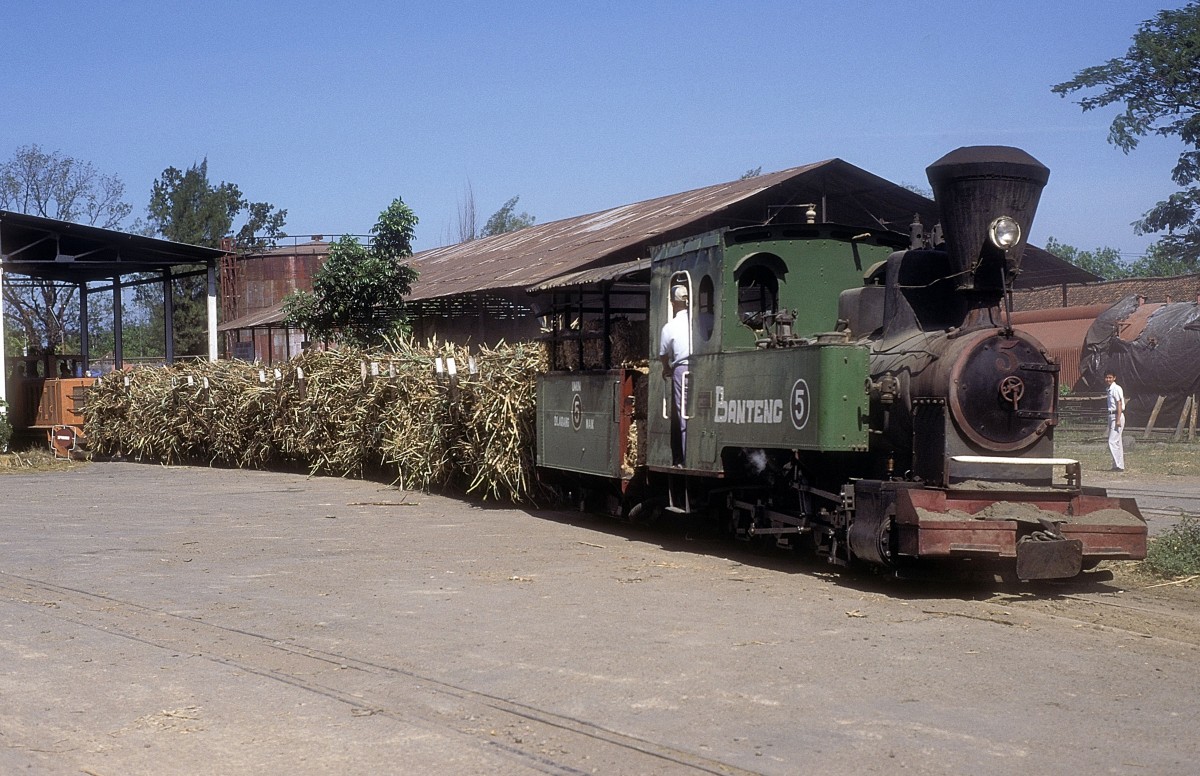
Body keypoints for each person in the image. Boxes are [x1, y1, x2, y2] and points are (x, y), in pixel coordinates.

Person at [659, 284, 691, 466]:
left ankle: (686, 458)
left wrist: (666, 368)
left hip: (681, 369)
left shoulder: (670, 327)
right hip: (702, 365)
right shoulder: (704, 319)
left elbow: (663, 354)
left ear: (672, 303)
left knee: (683, 413)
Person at [1104, 370, 1126, 472]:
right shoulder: (1108, 389)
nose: (1108, 379)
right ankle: (1117, 465)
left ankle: (1118, 465)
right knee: (1117, 442)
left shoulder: (1116, 388)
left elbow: (1119, 403)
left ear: (1114, 378)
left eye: (1110, 377)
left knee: (1112, 441)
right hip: (1111, 415)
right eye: (1106, 377)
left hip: (1117, 415)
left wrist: (1118, 419)